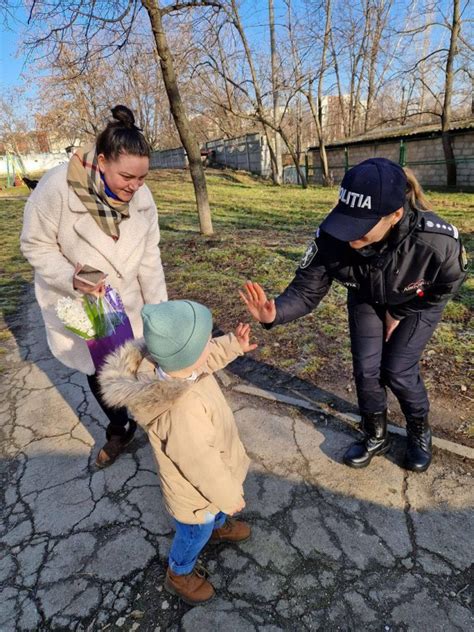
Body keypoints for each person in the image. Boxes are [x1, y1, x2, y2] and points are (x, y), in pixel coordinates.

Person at [241, 158, 467, 473]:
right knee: (367, 369)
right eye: (346, 218)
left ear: (395, 215)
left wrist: (399, 311)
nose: (348, 233)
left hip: (418, 301)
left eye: (360, 225)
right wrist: (274, 313)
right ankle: (376, 435)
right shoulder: (332, 235)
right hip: (366, 297)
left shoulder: (436, 241)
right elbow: (307, 290)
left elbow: (448, 284)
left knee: (398, 370)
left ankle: (419, 432)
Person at [20, 105, 168, 468]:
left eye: (142, 178)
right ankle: (119, 429)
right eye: (126, 177)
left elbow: (150, 257)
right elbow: (34, 244)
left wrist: (161, 313)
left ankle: (165, 438)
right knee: (100, 374)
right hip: (81, 305)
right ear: (101, 161)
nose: (135, 187)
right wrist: (72, 277)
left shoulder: (142, 199)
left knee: (141, 368)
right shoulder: (56, 189)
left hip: (127, 303)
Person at [99, 300, 254, 605]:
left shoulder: (174, 370)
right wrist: (229, 496)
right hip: (195, 494)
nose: (211, 345)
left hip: (210, 482)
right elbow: (201, 465)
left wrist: (233, 345)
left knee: (212, 514)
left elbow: (204, 359)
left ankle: (219, 526)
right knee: (195, 533)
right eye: (206, 342)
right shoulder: (183, 411)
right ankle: (179, 573)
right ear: (190, 357)